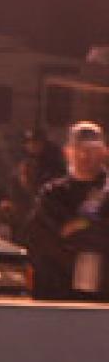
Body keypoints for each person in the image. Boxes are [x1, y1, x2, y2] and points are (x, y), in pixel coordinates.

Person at [24, 121, 109, 299]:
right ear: (67, 152)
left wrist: (77, 228)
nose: (84, 155)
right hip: (58, 292)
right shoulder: (52, 194)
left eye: (91, 150)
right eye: (79, 149)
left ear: (104, 152)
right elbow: (42, 239)